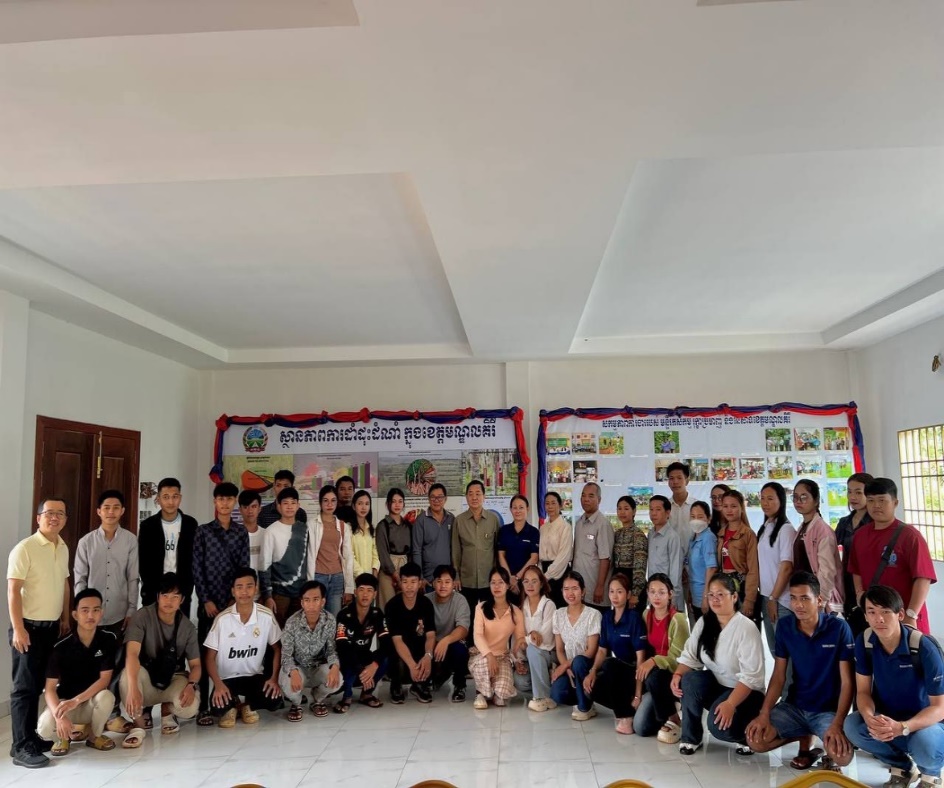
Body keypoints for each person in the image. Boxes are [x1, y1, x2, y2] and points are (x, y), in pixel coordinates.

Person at [746, 571, 855, 773]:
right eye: (793, 598)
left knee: (842, 757)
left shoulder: (839, 628)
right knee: (756, 742)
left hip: (826, 711)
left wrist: (838, 723)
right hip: (794, 707)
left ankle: (817, 744)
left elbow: (848, 682)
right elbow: (778, 676)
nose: (798, 605)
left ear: (819, 600)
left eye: (805, 598)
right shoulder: (785, 626)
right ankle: (803, 737)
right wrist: (764, 713)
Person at [844, 585, 944, 788]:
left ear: (900, 615)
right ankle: (902, 768)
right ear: (865, 616)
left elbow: (940, 708)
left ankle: (931, 776)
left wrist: (903, 727)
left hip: (926, 724)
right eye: (872, 612)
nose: (879, 619)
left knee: (925, 741)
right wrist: (870, 718)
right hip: (889, 719)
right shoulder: (865, 642)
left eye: (886, 612)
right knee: (853, 726)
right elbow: (863, 691)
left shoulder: (923, 647)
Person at [7, 497, 71, 768]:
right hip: (28, 628)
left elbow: (64, 584)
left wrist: (65, 617)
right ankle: (21, 747)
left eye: (60, 513)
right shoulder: (25, 548)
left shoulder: (63, 546)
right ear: (38, 518)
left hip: (52, 628)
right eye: (49, 513)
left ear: (65, 519)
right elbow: (13, 590)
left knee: (39, 685)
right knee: (24, 688)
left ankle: (30, 737)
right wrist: (18, 628)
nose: (54, 517)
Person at [671, 573, 766, 755]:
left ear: (734, 597)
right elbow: (690, 655)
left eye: (720, 594)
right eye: (711, 595)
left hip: (747, 693)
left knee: (717, 727)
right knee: (689, 680)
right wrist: (677, 674)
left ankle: (744, 734)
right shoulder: (704, 622)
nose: (715, 599)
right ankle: (691, 737)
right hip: (719, 685)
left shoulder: (746, 627)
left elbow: (751, 677)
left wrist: (730, 703)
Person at [115, 572, 201, 748]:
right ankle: (138, 726)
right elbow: (132, 654)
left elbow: (196, 665)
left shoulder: (187, 627)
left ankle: (167, 711)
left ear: (182, 600)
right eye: (165, 595)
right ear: (157, 596)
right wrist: (133, 688)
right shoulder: (142, 617)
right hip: (146, 677)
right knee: (127, 679)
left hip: (172, 678)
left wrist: (191, 686)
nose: (169, 601)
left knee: (190, 706)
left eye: (175, 596)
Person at [192, 481, 249, 726]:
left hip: (231, 605)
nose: (225, 504)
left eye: (229, 499)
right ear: (215, 502)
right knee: (207, 652)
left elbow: (244, 568)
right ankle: (204, 706)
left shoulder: (240, 533)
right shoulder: (203, 532)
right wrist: (206, 599)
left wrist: (233, 601)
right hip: (208, 604)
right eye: (221, 499)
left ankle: (230, 700)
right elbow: (197, 568)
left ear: (235, 502)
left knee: (231, 653)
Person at [849, 477, 936, 635]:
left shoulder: (910, 536)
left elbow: (923, 578)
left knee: (912, 650)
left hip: (905, 616)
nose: (876, 505)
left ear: (895, 503)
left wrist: (911, 614)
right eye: (871, 500)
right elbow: (856, 570)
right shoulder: (860, 535)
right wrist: (860, 594)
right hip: (876, 618)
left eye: (882, 500)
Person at [39, 589, 117, 756]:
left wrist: (77, 700)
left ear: (101, 613)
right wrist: (59, 716)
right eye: (85, 610)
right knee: (44, 727)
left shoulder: (108, 639)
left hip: (90, 702)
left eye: (96, 610)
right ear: (75, 615)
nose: (90, 615)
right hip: (66, 704)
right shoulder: (60, 647)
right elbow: (50, 689)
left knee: (107, 697)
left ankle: (94, 736)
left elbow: (104, 680)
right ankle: (62, 737)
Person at [203, 568, 282, 728]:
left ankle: (245, 705)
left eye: (249, 586)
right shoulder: (222, 619)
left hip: (254, 676)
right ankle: (234, 704)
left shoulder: (266, 615)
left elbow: (277, 648)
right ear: (233, 591)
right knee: (218, 709)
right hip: (227, 679)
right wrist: (218, 685)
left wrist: (274, 678)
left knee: (274, 700)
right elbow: (209, 657)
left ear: (256, 588)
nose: (244, 592)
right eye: (239, 587)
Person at [583, 574, 648, 734]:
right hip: (618, 673)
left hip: (635, 672)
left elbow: (641, 659)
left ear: (628, 594)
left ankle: (625, 717)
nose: (615, 596)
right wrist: (592, 672)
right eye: (611, 591)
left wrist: (638, 694)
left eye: (619, 591)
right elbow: (602, 649)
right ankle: (627, 708)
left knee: (610, 664)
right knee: (591, 689)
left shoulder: (634, 618)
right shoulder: (607, 617)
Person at [74, 489, 139, 637]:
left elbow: (133, 577)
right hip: (91, 614)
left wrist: (132, 609)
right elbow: (80, 579)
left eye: (116, 507)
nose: (111, 512)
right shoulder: (86, 542)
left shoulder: (130, 540)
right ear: (99, 511)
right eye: (106, 507)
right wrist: (81, 609)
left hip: (119, 614)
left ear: (122, 511)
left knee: (117, 651)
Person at [635, 573, 690, 743]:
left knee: (642, 727)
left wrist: (654, 661)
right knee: (613, 665)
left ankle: (674, 718)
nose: (656, 597)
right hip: (652, 675)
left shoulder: (678, 619)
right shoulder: (646, 615)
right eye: (652, 592)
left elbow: (679, 659)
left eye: (661, 592)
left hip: (671, 675)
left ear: (670, 594)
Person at [279, 580, 342, 720]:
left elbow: (331, 650)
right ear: (302, 603)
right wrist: (293, 671)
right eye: (307, 600)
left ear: (323, 601)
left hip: (317, 668)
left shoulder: (330, 621)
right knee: (288, 684)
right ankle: (296, 703)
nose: (311, 605)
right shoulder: (292, 622)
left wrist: (335, 666)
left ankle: (317, 700)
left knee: (338, 680)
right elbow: (286, 655)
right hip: (298, 668)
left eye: (315, 599)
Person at [138, 477, 197, 614]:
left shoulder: (190, 524)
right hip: (153, 590)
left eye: (175, 496)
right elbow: (143, 561)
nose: (170, 502)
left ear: (180, 498)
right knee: (153, 626)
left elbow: (194, 558)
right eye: (166, 497)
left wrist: (187, 586)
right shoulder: (148, 526)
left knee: (179, 625)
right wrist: (151, 586)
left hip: (181, 590)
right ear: (158, 499)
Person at [469, 567, 526, 709]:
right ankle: (480, 693)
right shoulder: (481, 608)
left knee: (502, 694)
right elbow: (477, 635)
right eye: (493, 582)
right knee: (484, 665)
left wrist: (518, 660)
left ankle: (494, 691)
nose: (496, 586)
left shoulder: (516, 612)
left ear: (507, 585)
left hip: (502, 657)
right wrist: (489, 655)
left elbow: (519, 639)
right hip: (482, 655)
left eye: (500, 582)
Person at [550, 570, 602, 720]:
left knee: (579, 662)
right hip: (569, 665)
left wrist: (565, 665)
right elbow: (560, 650)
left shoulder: (593, 614)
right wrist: (566, 668)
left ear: (583, 591)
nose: (570, 593)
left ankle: (585, 707)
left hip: (587, 666)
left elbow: (590, 651)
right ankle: (581, 696)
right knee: (557, 694)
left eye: (575, 588)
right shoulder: (558, 614)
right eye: (566, 589)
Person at [384, 561, 436, 704]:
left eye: (413, 582)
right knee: (393, 653)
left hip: (419, 648)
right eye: (405, 582)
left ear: (420, 583)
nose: (409, 586)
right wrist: (412, 666)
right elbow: (397, 640)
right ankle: (396, 684)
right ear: (400, 583)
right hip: (400, 651)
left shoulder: (426, 604)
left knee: (434, 654)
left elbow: (430, 635)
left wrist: (428, 656)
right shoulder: (392, 606)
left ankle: (419, 685)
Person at [335, 573, 389, 710]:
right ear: (355, 592)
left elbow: (386, 643)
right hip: (346, 658)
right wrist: (360, 669)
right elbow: (342, 647)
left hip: (364, 654)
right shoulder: (344, 614)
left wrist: (374, 665)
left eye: (369, 590)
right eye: (361, 590)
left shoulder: (377, 614)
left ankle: (366, 694)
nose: (365, 594)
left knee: (385, 659)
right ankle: (346, 696)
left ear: (375, 594)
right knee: (348, 660)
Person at [791, 479, 843, 615]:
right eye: (795, 497)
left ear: (816, 501)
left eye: (804, 497)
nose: (798, 501)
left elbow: (827, 571)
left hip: (817, 601)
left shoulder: (822, 531)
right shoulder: (803, 527)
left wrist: (820, 601)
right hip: (805, 597)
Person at [258, 487, 309, 625]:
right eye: (285, 503)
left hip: (301, 592)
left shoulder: (304, 529)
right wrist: (267, 596)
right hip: (279, 593)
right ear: (278, 506)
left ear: (298, 505)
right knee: (276, 630)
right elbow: (264, 565)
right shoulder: (271, 531)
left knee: (297, 631)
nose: (289, 506)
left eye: (293, 503)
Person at [453, 480, 502, 625]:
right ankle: (470, 639)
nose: (474, 497)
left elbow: (497, 550)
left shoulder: (493, 520)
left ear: (484, 496)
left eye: (478, 493)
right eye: (470, 494)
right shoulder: (459, 521)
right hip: (466, 580)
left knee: (489, 616)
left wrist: (498, 576)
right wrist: (456, 576)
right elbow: (456, 551)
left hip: (488, 579)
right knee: (468, 617)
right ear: (466, 497)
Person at [756, 482, 796, 656]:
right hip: (766, 597)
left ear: (781, 501)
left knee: (786, 654)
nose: (765, 503)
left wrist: (774, 598)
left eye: (770, 498)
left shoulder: (786, 529)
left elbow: (787, 568)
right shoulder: (766, 527)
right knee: (775, 651)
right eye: (763, 498)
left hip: (781, 599)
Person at [308, 484, 355, 616]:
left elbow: (348, 556)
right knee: (316, 616)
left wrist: (349, 588)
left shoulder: (343, 526)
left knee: (334, 617)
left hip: (337, 577)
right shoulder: (312, 525)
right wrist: (309, 583)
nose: (329, 504)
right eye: (326, 500)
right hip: (318, 576)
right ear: (320, 502)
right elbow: (309, 555)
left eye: (333, 500)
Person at [426, 565, 470, 702]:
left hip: (450, 644)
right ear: (433, 583)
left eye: (447, 582)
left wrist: (446, 640)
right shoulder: (426, 600)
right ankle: (425, 682)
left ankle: (460, 685)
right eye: (439, 581)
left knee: (460, 649)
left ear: (453, 584)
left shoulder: (460, 600)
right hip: (430, 645)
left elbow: (463, 629)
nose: (443, 586)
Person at [834, 472, 874, 621]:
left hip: (868, 582)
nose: (853, 497)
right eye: (849, 492)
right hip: (847, 581)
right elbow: (832, 548)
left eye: (858, 492)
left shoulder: (874, 523)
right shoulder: (844, 522)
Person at [518, 565, 558, 712]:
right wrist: (517, 660)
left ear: (541, 584)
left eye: (534, 581)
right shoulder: (522, 607)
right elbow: (518, 639)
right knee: (520, 682)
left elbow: (544, 639)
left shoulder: (549, 605)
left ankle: (542, 698)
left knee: (532, 650)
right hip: (530, 657)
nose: (530, 585)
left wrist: (526, 640)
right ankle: (546, 681)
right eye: (526, 581)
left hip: (548, 654)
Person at [717, 490, 760, 620]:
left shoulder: (748, 534)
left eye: (733, 506)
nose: (729, 510)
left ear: (741, 507)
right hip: (725, 587)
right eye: (725, 506)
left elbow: (753, 570)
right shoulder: (721, 533)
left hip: (742, 588)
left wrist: (750, 599)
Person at [572, 483, 615, 610]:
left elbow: (605, 558)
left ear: (599, 500)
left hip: (596, 593)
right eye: (583, 495)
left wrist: (600, 586)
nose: (586, 499)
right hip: (580, 591)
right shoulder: (579, 523)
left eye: (591, 496)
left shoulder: (603, 524)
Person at [497, 495, 540, 603]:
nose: (518, 511)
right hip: (506, 582)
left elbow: (534, 558)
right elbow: (501, 555)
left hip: (526, 582)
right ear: (510, 509)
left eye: (521, 507)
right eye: (514, 507)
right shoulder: (504, 531)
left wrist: (517, 578)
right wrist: (509, 578)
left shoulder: (534, 532)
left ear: (527, 509)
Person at [412, 484, 455, 586]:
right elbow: (416, 550)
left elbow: (455, 548)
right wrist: (420, 577)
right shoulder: (421, 520)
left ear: (445, 499)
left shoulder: (451, 519)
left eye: (440, 497)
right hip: (428, 579)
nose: (436, 500)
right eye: (433, 497)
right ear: (428, 498)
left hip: (447, 578)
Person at [376, 487, 413, 607]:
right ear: (388, 504)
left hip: (405, 570)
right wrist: (395, 575)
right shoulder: (382, 525)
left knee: (403, 607)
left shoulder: (408, 526)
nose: (397, 505)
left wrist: (406, 574)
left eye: (400, 501)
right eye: (394, 501)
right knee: (387, 605)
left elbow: (411, 552)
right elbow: (383, 553)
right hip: (387, 571)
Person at [613, 496, 648, 612]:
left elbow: (640, 566)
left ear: (634, 511)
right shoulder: (617, 534)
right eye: (619, 508)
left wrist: (635, 593)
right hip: (619, 584)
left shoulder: (638, 535)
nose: (622, 512)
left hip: (633, 584)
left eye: (626, 508)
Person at [539, 491, 573, 606]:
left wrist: (546, 576)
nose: (550, 506)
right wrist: (541, 574)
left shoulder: (565, 527)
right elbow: (541, 555)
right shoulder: (543, 528)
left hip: (560, 573)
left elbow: (563, 556)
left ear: (560, 505)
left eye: (553, 503)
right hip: (544, 572)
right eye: (547, 503)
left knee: (560, 608)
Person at [687, 501, 717, 623]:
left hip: (704, 595)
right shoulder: (693, 538)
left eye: (700, 517)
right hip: (695, 594)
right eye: (693, 517)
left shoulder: (708, 538)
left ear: (708, 519)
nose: (696, 520)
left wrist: (706, 597)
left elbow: (712, 568)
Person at [647, 495, 682, 594]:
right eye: (651, 509)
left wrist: (672, 593)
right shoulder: (650, 534)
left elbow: (675, 569)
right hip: (653, 590)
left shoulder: (672, 536)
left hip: (667, 592)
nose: (653, 513)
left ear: (667, 513)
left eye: (658, 509)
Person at [666, 461, 694, 564]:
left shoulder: (696, 506)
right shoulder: (664, 507)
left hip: (694, 562)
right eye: (671, 478)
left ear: (687, 481)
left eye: (679, 478)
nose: (675, 482)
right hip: (670, 562)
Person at [238, 490, 265, 597]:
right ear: (240, 510)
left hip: (262, 593)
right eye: (245, 507)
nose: (250, 511)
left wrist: (267, 595)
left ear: (259, 509)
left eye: (254, 506)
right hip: (241, 594)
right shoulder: (234, 535)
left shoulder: (266, 534)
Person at [350, 490, 380, 579]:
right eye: (360, 503)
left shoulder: (371, 529)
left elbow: (375, 553)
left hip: (371, 577)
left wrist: (374, 573)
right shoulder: (348, 529)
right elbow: (349, 556)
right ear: (353, 506)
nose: (364, 507)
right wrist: (362, 575)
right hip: (355, 577)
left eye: (367, 504)